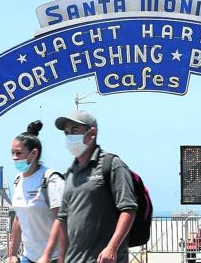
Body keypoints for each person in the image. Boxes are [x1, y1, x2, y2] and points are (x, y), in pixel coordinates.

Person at [39, 110, 138, 263]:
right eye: (66, 132)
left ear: (91, 133)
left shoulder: (111, 165)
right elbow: (63, 218)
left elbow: (128, 209)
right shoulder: (70, 173)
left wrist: (112, 247)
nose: (69, 136)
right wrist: (57, 257)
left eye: (75, 130)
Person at [9, 120, 65, 263]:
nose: (14, 158)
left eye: (19, 153)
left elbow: (61, 220)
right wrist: (12, 254)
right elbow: (19, 218)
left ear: (33, 154)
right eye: (12, 153)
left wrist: (47, 255)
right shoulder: (18, 180)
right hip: (29, 257)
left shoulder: (50, 179)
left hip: (54, 257)